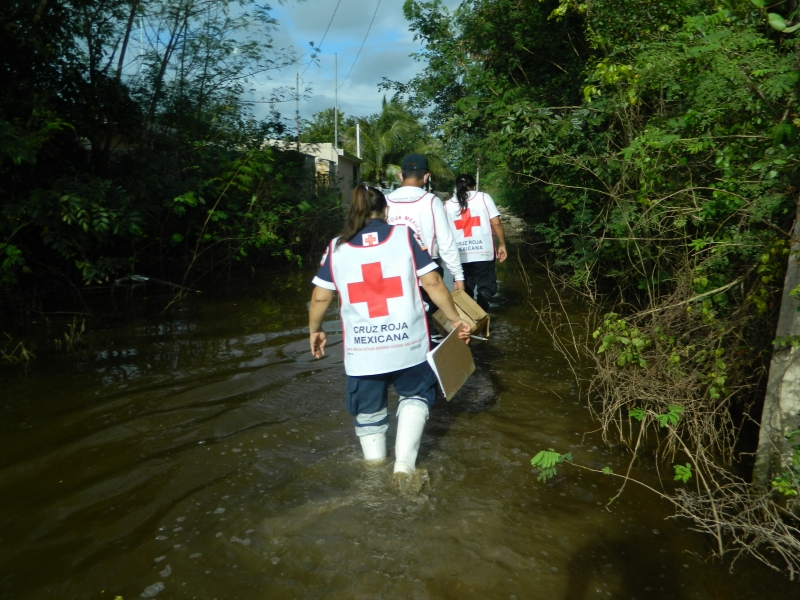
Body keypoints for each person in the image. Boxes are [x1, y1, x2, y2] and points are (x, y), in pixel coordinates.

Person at [308, 185, 470, 482]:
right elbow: (433, 283)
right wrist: (455, 320)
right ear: (386, 210)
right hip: (408, 344)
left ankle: (373, 471)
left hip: (362, 352)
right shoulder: (404, 237)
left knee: (368, 412)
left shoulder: (336, 247)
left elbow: (320, 297)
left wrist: (315, 330)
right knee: (416, 395)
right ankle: (404, 468)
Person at [387, 154, 465, 297]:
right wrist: (458, 275)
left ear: (400, 175)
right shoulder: (431, 201)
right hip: (427, 271)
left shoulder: (385, 201)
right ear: (426, 176)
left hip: (391, 271)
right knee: (427, 316)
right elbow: (445, 242)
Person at [444, 174, 508, 311]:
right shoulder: (483, 197)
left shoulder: (448, 205)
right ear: (474, 185)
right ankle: (481, 317)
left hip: (460, 255)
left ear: (456, 186)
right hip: (484, 253)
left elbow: (444, 233)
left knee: (464, 291)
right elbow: (496, 223)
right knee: (486, 288)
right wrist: (502, 244)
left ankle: (468, 324)